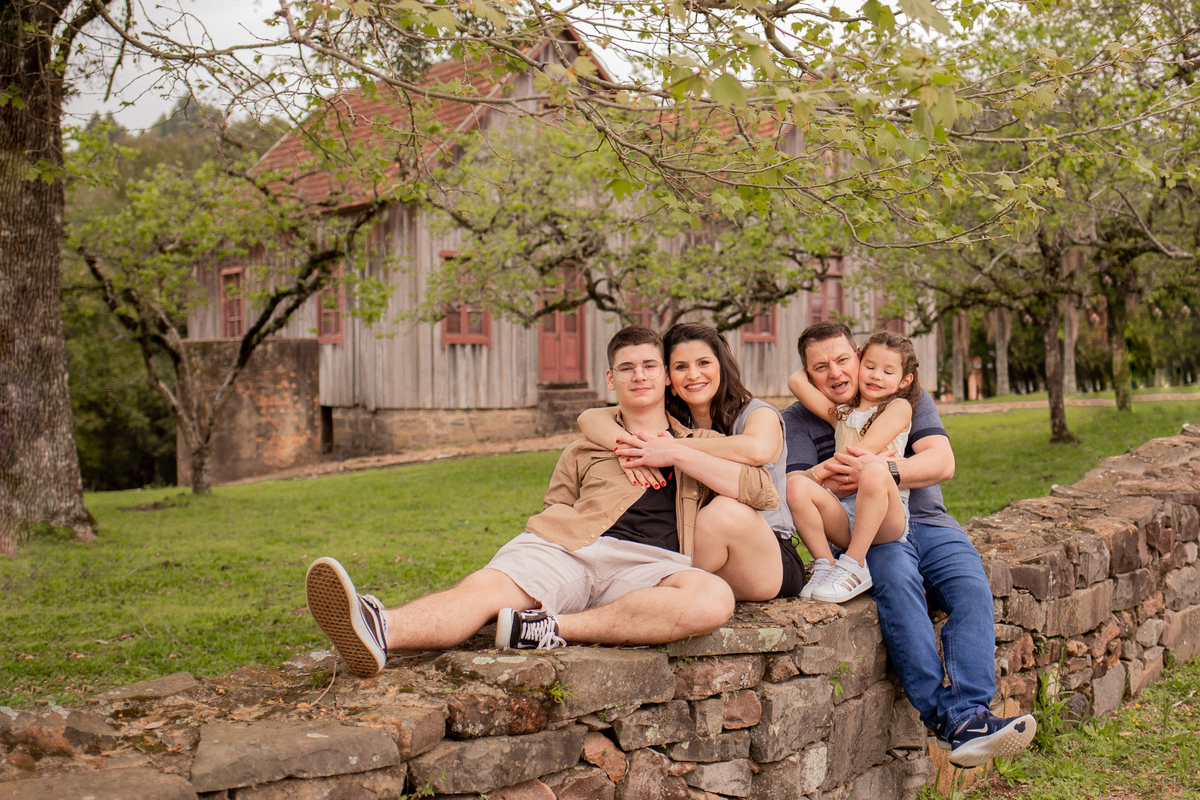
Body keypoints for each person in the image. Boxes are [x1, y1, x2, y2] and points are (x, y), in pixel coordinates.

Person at [305, 325, 779, 679]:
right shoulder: (583, 446)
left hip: (647, 565)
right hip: (568, 548)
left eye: (650, 366)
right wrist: (547, 548)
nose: (639, 376)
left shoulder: (700, 443)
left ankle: (551, 628)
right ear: (611, 379)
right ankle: (380, 626)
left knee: (712, 598)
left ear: (667, 380)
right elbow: (557, 504)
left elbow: (760, 490)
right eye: (627, 368)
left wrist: (677, 453)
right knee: (486, 588)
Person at [782, 319, 1036, 769]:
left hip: (929, 521)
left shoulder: (905, 398)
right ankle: (953, 721)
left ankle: (969, 713)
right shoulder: (800, 418)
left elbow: (942, 462)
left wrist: (884, 470)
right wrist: (848, 475)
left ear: (859, 355)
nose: (835, 373)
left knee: (969, 587)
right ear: (807, 372)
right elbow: (799, 487)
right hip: (870, 534)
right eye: (820, 367)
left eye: (843, 360)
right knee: (899, 592)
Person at [577, 322, 805, 601]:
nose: (693, 374)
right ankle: (638, 595)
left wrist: (673, 449)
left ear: (722, 367)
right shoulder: (673, 421)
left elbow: (757, 450)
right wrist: (628, 446)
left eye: (704, 363)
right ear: (668, 376)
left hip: (766, 554)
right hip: (699, 548)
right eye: (681, 366)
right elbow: (590, 417)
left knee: (722, 512)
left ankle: (659, 595)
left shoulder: (755, 413)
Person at [786, 331, 920, 603]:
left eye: (887, 372)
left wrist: (817, 474)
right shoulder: (843, 413)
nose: (876, 376)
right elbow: (795, 382)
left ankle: (856, 564)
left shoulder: (899, 407)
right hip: (845, 513)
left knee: (873, 469)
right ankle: (826, 564)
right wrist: (824, 364)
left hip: (886, 516)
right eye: (869, 367)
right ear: (860, 362)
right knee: (795, 486)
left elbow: (859, 454)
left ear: (905, 380)